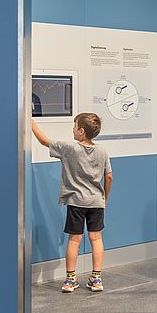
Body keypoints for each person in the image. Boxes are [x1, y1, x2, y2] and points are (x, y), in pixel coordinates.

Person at [31, 113, 112, 293]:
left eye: (74, 126)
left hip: (76, 202)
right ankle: (96, 279)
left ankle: (70, 280)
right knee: (96, 238)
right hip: (96, 202)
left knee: (74, 240)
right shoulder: (103, 151)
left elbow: (45, 141)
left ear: (81, 131)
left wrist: (31, 123)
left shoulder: (69, 149)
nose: (72, 129)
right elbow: (109, 176)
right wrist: (105, 199)